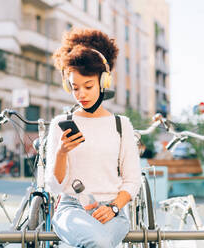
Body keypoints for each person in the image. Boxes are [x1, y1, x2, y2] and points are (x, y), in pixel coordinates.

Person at [45, 28, 141, 248]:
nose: (81, 95)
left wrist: (114, 208)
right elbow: (55, 186)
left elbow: (132, 180)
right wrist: (62, 153)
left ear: (104, 82)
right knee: (99, 242)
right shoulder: (60, 124)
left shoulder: (121, 125)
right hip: (72, 208)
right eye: (74, 87)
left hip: (113, 211)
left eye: (88, 86)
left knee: (100, 241)